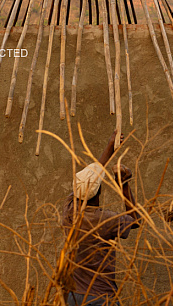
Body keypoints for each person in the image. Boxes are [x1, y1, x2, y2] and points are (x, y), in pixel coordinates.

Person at [62, 131, 140, 306]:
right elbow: (135, 220)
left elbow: (86, 183)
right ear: (99, 192)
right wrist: (123, 185)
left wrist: (110, 147)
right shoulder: (105, 220)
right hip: (100, 297)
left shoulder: (69, 212)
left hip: (74, 296)